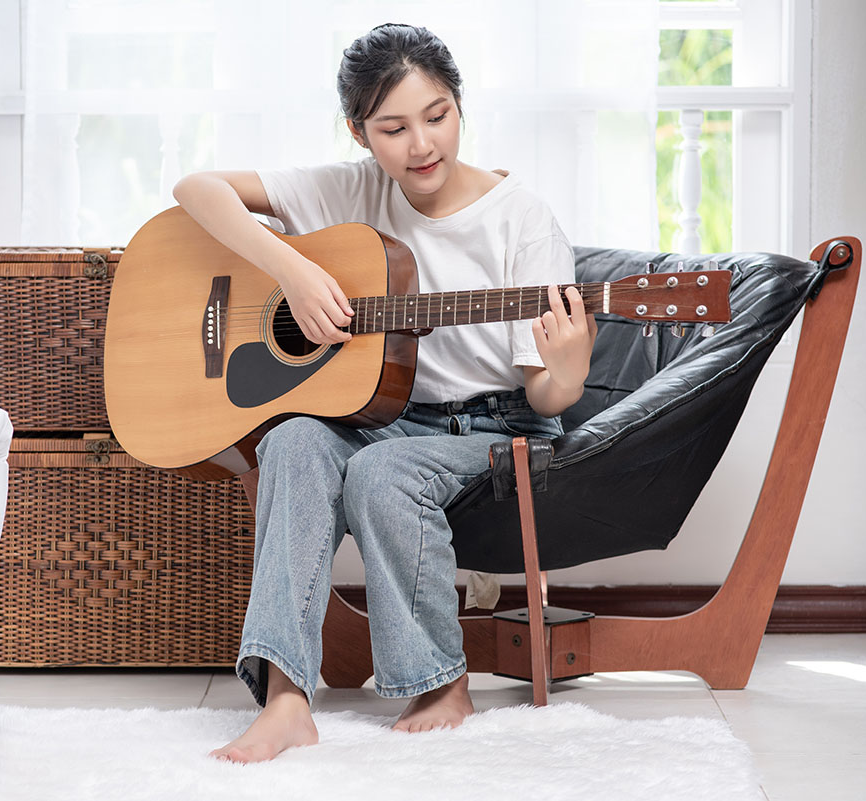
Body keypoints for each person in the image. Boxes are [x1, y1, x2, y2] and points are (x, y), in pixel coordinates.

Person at [172, 23, 596, 764]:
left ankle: (441, 680)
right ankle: (286, 696)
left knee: (378, 471)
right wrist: (292, 271)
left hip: (498, 424)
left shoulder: (522, 219)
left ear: (460, 105)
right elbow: (195, 190)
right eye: (393, 128)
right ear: (360, 132)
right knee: (293, 439)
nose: (421, 144)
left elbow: (548, 396)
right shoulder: (351, 187)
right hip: (391, 418)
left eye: (437, 116)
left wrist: (570, 369)